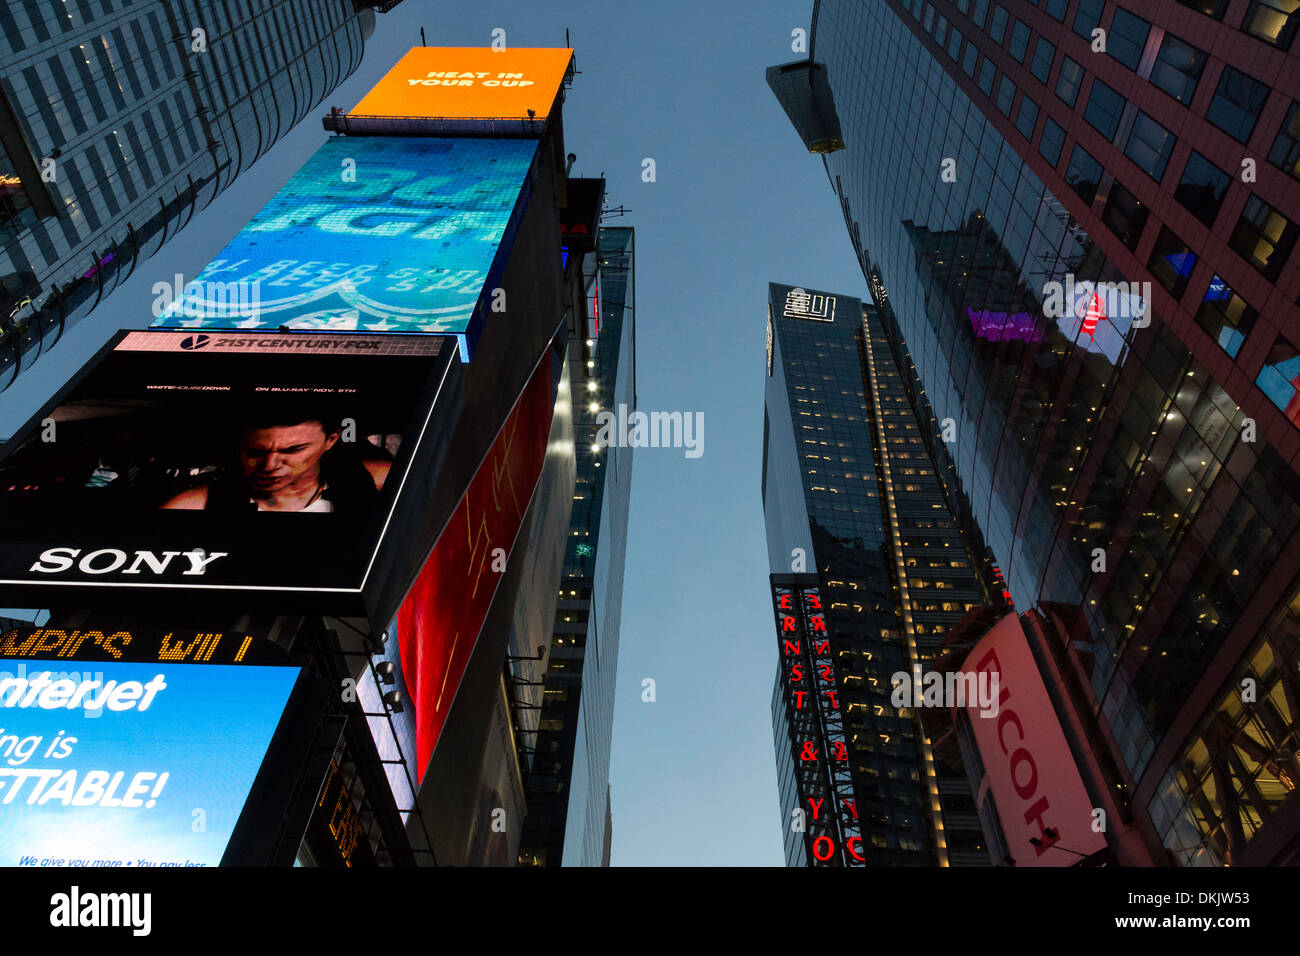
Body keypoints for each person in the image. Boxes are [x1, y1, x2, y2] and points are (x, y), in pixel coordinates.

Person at [162, 406, 390, 513]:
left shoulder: (380, 481)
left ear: (331, 440)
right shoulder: (193, 505)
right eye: (256, 453)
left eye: (292, 451)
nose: (270, 466)